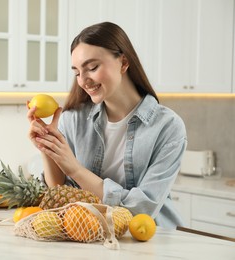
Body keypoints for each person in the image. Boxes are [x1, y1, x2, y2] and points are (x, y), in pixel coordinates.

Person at [27, 21, 187, 229]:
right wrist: (46, 145)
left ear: (123, 62)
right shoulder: (73, 119)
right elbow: (58, 191)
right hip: (90, 235)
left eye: (92, 68)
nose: (83, 81)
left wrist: (76, 170)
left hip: (149, 240)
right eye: (76, 72)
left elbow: (142, 209)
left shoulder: (168, 127)